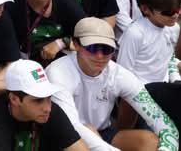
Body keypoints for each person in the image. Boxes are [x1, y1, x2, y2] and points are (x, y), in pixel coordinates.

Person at [46, 17, 178, 151]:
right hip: (67, 137)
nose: (99, 56)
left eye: (106, 49)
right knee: (88, 130)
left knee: (149, 141)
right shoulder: (58, 72)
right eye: (92, 48)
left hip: (104, 133)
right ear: (75, 44)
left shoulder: (118, 74)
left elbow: (163, 123)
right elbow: (72, 125)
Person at [0, 59, 85, 151]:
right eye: (37, 100)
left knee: (88, 130)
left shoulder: (50, 110)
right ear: (14, 99)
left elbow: (77, 147)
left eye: (49, 97)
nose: (47, 108)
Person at [8, 0, 85, 67]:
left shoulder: (66, 3)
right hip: (22, 62)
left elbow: (87, 33)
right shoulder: (13, 6)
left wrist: (61, 43)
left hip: (64, 63)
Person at [116, 0, 181, 86]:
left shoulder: (173, 28)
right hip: (140, 90)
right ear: (145, 9)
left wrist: (176, 79)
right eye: (168, 12)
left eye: (177, 10)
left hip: (164, 86)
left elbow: (169, 59)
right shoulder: (135, 33)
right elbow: (123, 73)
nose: (175, 16)